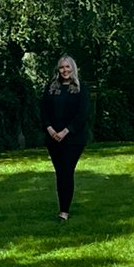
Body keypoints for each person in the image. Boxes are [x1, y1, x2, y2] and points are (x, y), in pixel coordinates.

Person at [39, 55, 90, 220]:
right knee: (60, 173)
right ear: (58, 69)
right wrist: (50, 129)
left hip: (73, 139)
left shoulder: (81, 88)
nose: (65, 70)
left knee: (67, 172)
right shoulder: (51, 87)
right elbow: (43, 110)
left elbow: (82, 115)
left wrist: (65, 131)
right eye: (62, 67)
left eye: (68, 67)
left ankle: (64, 212)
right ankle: (62, 207)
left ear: (73, 68)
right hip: (53, 137)